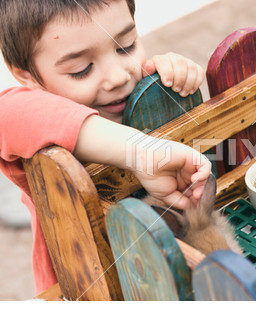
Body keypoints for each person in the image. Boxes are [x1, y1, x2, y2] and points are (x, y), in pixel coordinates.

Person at [0, 0, 211, 295]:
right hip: (89, 290)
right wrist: (141, 151)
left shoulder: (143, 87)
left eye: (126, 46)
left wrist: (174, 80)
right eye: (81, 69)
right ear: (27, 75)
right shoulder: (31, 129)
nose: (119, 77)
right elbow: (7, 112)